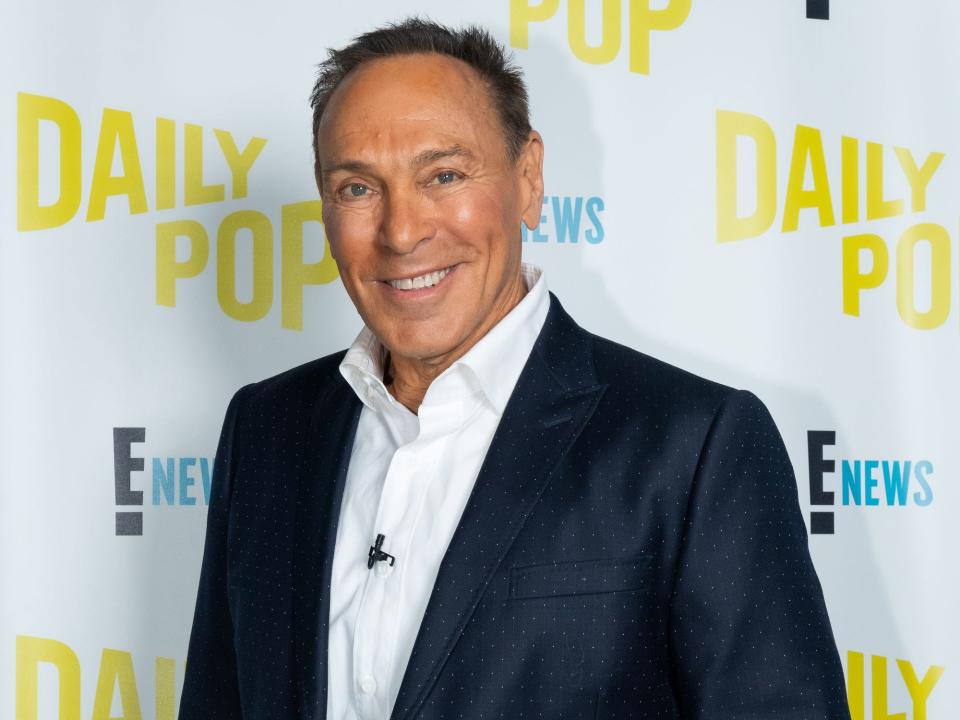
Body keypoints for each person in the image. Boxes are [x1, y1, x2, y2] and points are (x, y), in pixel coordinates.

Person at [179, 18, 850, 720]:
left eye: (443, 175)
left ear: (527, 178)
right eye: (358, 188)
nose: (402, 231)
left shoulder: (694, 446)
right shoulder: (264, 430)